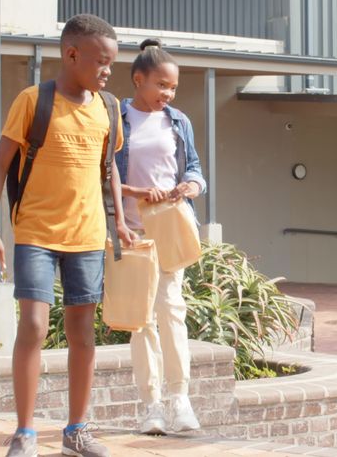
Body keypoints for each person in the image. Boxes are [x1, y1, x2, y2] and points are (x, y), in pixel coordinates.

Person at [0, 14, 136, 457]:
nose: (108, 71)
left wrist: (120, 221)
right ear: (71, 54)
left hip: (87, 234)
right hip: (36, 232)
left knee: (83, 332)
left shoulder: (108, 109)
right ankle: (25, 432)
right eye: (101, 62)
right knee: (33, 324)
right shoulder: (33, 100)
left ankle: (76, 431)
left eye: (112, 63)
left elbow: (111, 173)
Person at [115, 38, 207, 434]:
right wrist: (134, 193)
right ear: (139, 80)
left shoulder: (178, 121)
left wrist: (190, 185)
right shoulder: (116, 118)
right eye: (161, 86)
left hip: (168, 228)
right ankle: (151, 406)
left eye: (172, 88)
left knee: (171, 309)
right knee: (141, 320)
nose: (166, 94)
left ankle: (179, 399)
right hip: (131, 232)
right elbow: (102, 176)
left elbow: (196, 169)